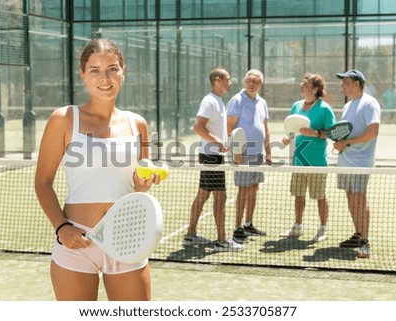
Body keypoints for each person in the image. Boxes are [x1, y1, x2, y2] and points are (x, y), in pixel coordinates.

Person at [35, 39, 160, 300]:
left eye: (113, 69)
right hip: (76, 242)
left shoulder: (138, 124)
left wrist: (144, 183)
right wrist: (62, 228)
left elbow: (138, 185)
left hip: (128, 240)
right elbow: (43, 182)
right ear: (83, 75)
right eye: (95, 70)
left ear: (124, 71)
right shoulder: (64, 118)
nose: (105, 78)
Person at [182, 67, 243, 252]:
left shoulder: (218, 101)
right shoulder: (209, 101)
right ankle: (222, 241)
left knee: (203, 194)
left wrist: (225, 141)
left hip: (213, 155)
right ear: (218, 79)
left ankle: (190, 235)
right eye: (228, 79)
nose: (230, 82)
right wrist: (217, 142)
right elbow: (198, 127)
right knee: (220, 197)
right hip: (211, 156)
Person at [279, 73, 336, 242]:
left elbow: (333, 133)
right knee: (298, 195)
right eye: (302, 82)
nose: (302, 85)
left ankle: (323, 228)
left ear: (315, 89)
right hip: (298, 161)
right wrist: (288, 138)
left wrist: (315, 133)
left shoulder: (324, 108)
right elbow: (293, 129)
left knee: (319, 196)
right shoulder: (296, 106)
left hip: (317, 163)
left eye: (306, 83)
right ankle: (297, 226)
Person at [334, 69, 381, 259]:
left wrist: (347, 142)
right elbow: (346, 133)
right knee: (351, 197)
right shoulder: (348, 106)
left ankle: (365, 242)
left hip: (360, 162)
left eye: (345, 82)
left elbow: (373, 131)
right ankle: (358, 234)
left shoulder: (369, 103)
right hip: (345, 160)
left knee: (359, 199)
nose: (341, 86)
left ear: (356, 83)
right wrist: (339, 142)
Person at [226, 69, 272, 244]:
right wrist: (237, 152)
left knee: (253, 188)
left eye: (256, 81)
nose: (252, 84)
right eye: (249, 80)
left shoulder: (262, 103)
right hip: (242, 155)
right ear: (244, 82)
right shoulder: (237, 100)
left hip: (258, 154)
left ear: (261, 84)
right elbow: (229, 129)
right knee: (243, 190)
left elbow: (265, 129)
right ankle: (238, 228)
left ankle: (248, 224)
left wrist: (268, 152)